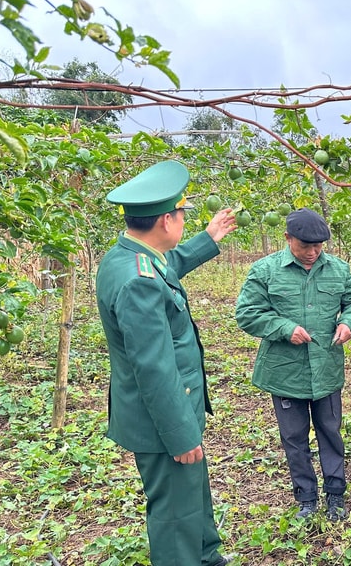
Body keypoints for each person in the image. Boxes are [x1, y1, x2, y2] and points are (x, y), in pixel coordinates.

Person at [95, 160, 237, 566]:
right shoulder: (138, 281)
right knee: (176, 515)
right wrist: (180, 435)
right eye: (181, 215)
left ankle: (206, 557)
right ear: (165, 220)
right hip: (162, 422)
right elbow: (154, 367)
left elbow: (168, 266)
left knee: (191, 498)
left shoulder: (128, 257)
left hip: (168, 412)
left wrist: (208, 238)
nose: (182, 221)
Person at [235, 208, 351, 520]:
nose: (312, 253)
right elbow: (247, 313)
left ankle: (336, 494)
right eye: (305, 246)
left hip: (325, 368)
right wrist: (284, 328)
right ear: (288, 238)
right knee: (294, 438)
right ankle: (306, 497)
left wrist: (348, 323)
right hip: (285, 372)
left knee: (330, 431)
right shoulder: (265, 271)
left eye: (318, 246)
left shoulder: (338, 269)